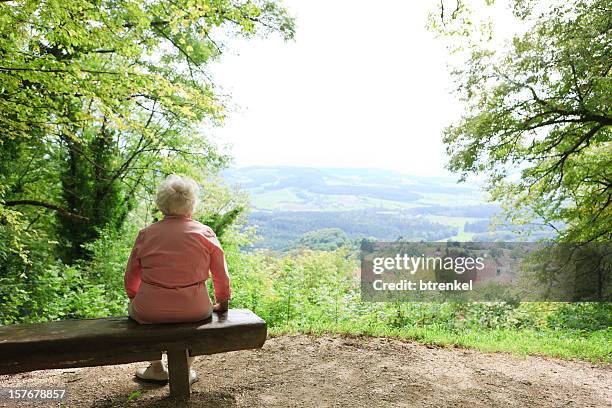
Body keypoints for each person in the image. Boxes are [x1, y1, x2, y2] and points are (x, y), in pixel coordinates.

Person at [124, 174, 231, 383]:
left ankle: (156, 368)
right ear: (191, 206)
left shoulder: (146, 234)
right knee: (198, 323)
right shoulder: (205, 233)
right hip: (195, 309)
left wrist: (134, 297)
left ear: (161, 206)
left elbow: (131, 275)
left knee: (140, 318)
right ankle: (185, 370)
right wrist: (223, 301)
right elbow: (220, 274)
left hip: (149, 309)